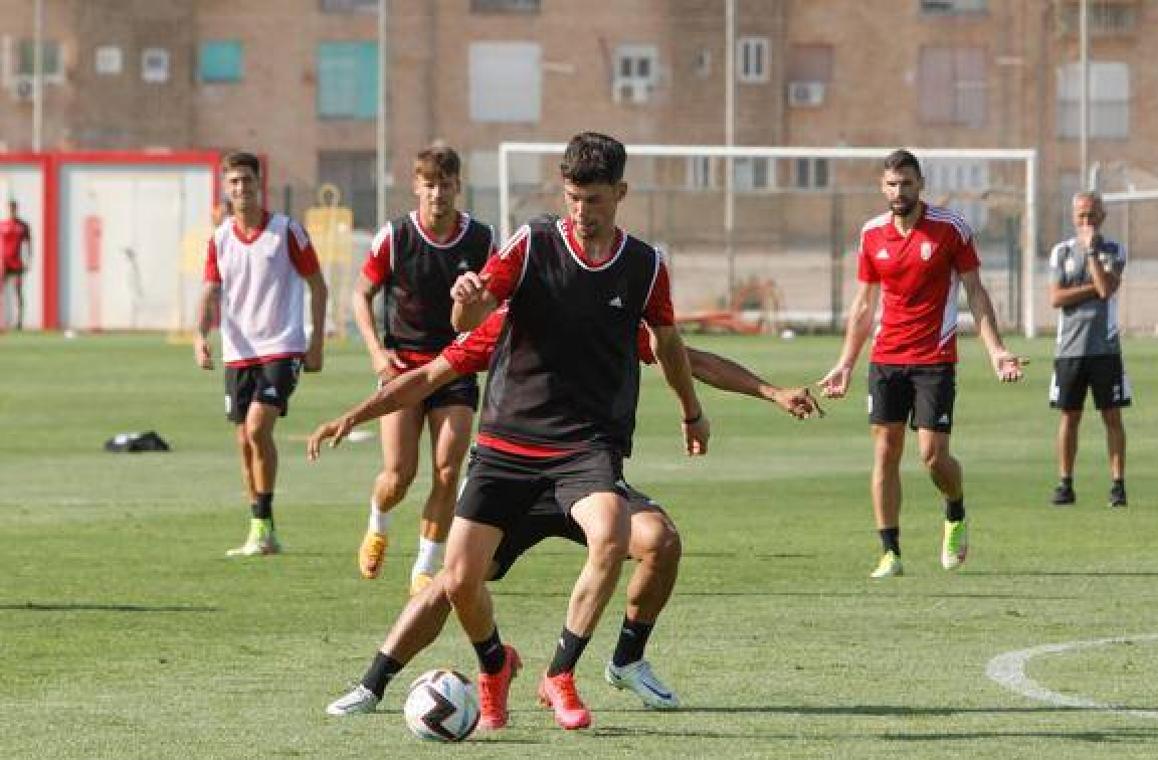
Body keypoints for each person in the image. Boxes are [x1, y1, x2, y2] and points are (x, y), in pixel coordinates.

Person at [311, 305, 820, 716]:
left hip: (585, 472)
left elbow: (685, 358)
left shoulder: (606, 319)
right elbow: (428, 377)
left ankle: (624, 661)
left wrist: (771, 391)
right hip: (513, 478)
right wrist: (356, 414)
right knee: (454, 582)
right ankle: (374, 686)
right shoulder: (508, 321)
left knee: (660, 541)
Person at [443, 131, 710, 731]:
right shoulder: (533, 241)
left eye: (594, 199)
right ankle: (494, 665)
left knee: (613, 530)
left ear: (620, 192)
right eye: (573, 198)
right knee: (459, 580)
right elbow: (468, 317)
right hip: (507, 439)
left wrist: (691, 409)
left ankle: (560, 672)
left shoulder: (644, 265)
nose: (582, 212)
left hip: (583, 444)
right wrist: (466, 298)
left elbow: (668, 343)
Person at [819, 149, 1025, 579]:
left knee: (933, 457)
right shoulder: (871, 234)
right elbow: (862, 306)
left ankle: (955, 509)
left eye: (907, 183)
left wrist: (996, 350)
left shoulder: (951, 229)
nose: (899, 192)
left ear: (920, 185)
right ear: (882, 187)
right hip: (886, 358)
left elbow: (975, 292)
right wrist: (845, 364)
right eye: (892, 184)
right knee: (885, 451)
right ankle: (889, 552)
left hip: (934, 357)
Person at [352, 145, 494, 594]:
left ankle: (424, 569)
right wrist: (377, 352)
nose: (437, 194)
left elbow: (497, 300)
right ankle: (378, 524)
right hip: (403, 370)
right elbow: (360, 295)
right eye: (429, 185)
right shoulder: (395, 237)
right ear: (416, 185)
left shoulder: (482, 240)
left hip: (454, 369)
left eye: (446, 185)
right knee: (399, 474)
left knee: (448, 471)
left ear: (458, 187)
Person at [193, 151, 329, 556]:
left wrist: (315, 341)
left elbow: (318, 286)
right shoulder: (218, 239)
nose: (241, 189)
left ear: (259, 184)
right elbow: (210, 290)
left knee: (256, 429)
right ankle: (261, 528)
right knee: (242, 441)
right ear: (225, 187)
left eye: (247, 181)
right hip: (239, 351)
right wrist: (199, 336)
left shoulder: (287, 231)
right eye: (233, 182)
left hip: (282, 346)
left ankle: (264, 522)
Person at [1047, 191, 1130, 508]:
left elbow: (1107, 288)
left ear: (1102, 216)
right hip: (1069, 349)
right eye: (1081, 216)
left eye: (1092, 215)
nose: (1086, 222)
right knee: (1069, 417)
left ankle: (1118, 485)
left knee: (1112, 416)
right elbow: (1056, 298)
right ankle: (1065, 483)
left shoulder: (1114, 250)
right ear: (1073, 217)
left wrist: (1092, 253)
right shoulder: (1061, 252)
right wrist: (1092, 289)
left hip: (1105, 349)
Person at [0, 200, 32, 331]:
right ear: (7, 210)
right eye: (10, 209)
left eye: (14, 208)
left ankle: (19, 322)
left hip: (17, 263)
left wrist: (28, 260)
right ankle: (2, 321)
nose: (12, 211)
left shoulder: (23, 226)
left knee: (18, 291)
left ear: (16, 209)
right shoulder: (2, 225)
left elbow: (29, 244)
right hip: (4, 263)